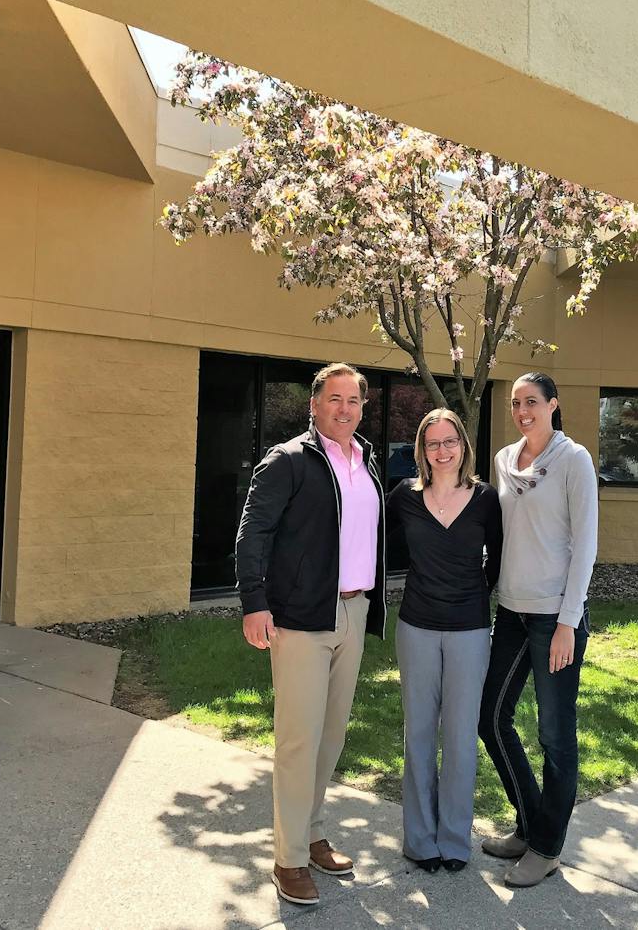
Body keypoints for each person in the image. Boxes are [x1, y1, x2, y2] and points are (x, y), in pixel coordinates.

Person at [235, 362, 387, 906]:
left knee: (331, 736)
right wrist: (255, 603)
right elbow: (253, 532)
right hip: (301, 618)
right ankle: (288, 859)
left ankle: (312, 831)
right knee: (298, 741)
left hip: (353, 611)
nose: (345, 409)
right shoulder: (289, 460)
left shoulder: (365, 460)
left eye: (354, 401)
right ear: (314, 405)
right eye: (335, 399)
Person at [478, 372, 597, 887]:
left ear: (553, 404)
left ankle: (547, 847)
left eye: (532, 402)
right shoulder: (505, 460)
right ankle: (530, 824)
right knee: (491, 718)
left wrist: (569, 621)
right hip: (511, 611)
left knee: (554, 734)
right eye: (515, 403)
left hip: (555, 618)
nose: (523, 411)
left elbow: (586, 543)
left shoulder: (574, 460)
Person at [386, 408, 501, 874]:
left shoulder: (486, 499)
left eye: (449, 441)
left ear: (463, 445)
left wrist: (471, 596)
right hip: (416, 626)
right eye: (432, 443)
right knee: (418, 733)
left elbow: (498, 562)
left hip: (470, 630)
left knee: (459, 737)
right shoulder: (403, 497)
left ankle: (454, 840)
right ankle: (419, 840)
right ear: (422, 450)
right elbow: (380, 546)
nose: (442, 450)